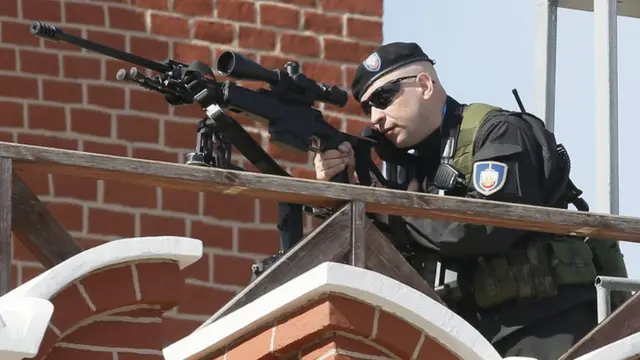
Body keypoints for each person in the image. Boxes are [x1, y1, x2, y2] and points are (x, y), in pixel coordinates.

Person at [313, 42, 631, 360]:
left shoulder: (498, 133)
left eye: (384, 98)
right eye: (367, 108)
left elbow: (484, 228)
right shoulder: (415, 167)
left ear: (424, 84)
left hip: (549, 322)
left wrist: (380, 205)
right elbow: (391, 256)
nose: (376, 116)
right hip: (475, 335)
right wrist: (340, 191)